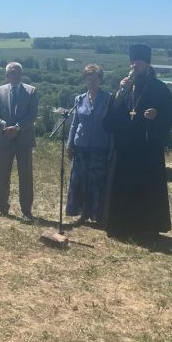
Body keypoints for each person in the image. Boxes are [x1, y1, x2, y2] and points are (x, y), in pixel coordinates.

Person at [103, 44, 172, 239]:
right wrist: (120, 93)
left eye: (139, 62)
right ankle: (120, 224)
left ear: (147, 64)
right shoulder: (126, 87)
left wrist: (157, 115)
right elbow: (112, 114)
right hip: (125, 147)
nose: (135, 65)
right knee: (123, 185)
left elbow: (170, 113)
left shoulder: (159, 88)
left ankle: (146, 227)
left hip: (146, 147)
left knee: (145, 186)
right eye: (133, 62)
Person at [0, 62, 39, 220]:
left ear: (21, 74)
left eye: (17, 72)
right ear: (7, 75)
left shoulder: (31, 91)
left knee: (25, 177)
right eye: (11, 73)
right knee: (2, 176)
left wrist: (17, 128)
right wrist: (5, 126)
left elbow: (32, 115)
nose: (14, 75)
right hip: (4, 140)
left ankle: (26, 211)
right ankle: (3, 208)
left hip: (24, 140)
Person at [66, 64, 111, 225]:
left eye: (94, 79)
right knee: (81, 181)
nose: (91, 83)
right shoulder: (79, 99)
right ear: (84, 80)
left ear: (100, 80)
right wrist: (69, 144)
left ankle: (98, 214)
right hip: (81, 146)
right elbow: (74, 123)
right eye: (88, 80)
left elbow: (111, 125)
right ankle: (83, 213)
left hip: (100, 146)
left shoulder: (107, 99)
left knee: (97, 182)